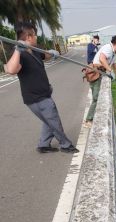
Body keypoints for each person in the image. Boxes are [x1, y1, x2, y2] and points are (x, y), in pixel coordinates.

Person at [4, 22, 79, 154]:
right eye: (35, 35)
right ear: (28, 36)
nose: (36, 38)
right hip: (37, 98)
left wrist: (52, 53)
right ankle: (66, 145)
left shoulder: (34, 50)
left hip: (44, 94)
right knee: (54, 121)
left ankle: (43, 145)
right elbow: (10, 69)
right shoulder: (20, 54)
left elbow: (46, 56)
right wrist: (17, 49)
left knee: (48, 120)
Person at [85, 35, 116, 128]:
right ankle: (88, 120)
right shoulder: (108, 48)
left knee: (98, 97)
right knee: (96, 98)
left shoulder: (113, 53)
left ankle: (92, 118)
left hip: (101, 73)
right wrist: (110, 70)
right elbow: (102, 59)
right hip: (95, 73)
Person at [84, 35, 101, 128]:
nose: (97, 41)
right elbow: (91, 52)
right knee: (95, 97)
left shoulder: (96, 47)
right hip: (91, 69)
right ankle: (88, 119)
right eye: (96, 39)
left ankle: (90, 118)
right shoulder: (90, 45)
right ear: (93, 39)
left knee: (95, 95)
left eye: (98, 40)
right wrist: (94, 44)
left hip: (95, 69)